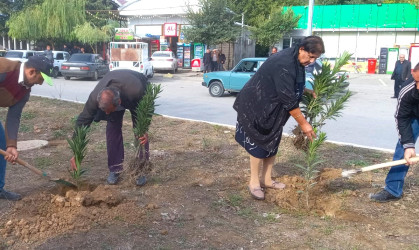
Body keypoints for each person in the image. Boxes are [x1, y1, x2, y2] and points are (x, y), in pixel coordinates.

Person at [233, 36, 324, 200]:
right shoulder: (284, 63)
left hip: (273, 109)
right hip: (257, 105)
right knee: (258, 144)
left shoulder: (297, 59)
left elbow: (290, 84)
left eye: (315, 58)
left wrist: (307, 91)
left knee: (272, 142)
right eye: (310, 56)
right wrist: (304, 124)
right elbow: (287, 98)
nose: (311, 61)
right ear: (302, 48)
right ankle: (254, 183)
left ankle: (267, 179)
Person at [70, 69, 149, 185]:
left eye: (109, 110)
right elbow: (83, 121)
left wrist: (145, 128)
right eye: (104, 111)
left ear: (119, 103)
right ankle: (115, 169)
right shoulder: (95, 97)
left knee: (140, 133)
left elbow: (147, 107)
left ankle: (141, 170)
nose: (106, 114)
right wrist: (76, 152)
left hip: (138, 88)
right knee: (112, 129)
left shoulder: (136, 90)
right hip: (117, 90)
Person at [0, 56, 53, 201]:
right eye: (41, 79)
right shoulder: (4, 68)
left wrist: (11, 145)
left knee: (2, 141)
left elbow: (13, 117)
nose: (41, 84)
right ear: (31, 72)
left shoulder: (25, 90)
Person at [370, 63, 419, 202]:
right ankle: (393, 189)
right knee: (403, 149)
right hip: (414, 117)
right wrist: (408, 145)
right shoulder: (408, 89)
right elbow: (401, 117)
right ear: (413, 73)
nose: (418, 86)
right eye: (416, 80)